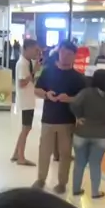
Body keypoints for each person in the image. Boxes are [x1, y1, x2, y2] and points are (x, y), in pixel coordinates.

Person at [34, 41, 86, 194]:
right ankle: (41, 179)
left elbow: (82, 99)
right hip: (48, 119)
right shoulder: (48, 72)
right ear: (59, 52)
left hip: (67, 121)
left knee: (65, 154)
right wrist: (46, 94)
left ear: (74, 56)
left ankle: (62, 183)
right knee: (44, 151)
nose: (65, 56)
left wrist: (69, 99)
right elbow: (37, 90)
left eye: (69, 54)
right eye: (63, 52)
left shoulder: (78, 78)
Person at [71, 69, 105, 198]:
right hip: (101, 134)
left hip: (82, 132)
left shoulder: (86, 93)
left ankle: (76, 189)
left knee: (79, 162)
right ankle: (95, 192)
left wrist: (79, 116)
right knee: (95, 164)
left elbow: (74, 104)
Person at [11, 38, 39, 166]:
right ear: (27, 49)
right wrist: (34, 72)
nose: (36, 52)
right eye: (34, 50)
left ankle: (16, 153)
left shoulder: (27, 62)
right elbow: (22, 83)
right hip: (25, 101)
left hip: (28, 100)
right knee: (26, 128)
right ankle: (21, 157)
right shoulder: (22, 64)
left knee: (26, 128)